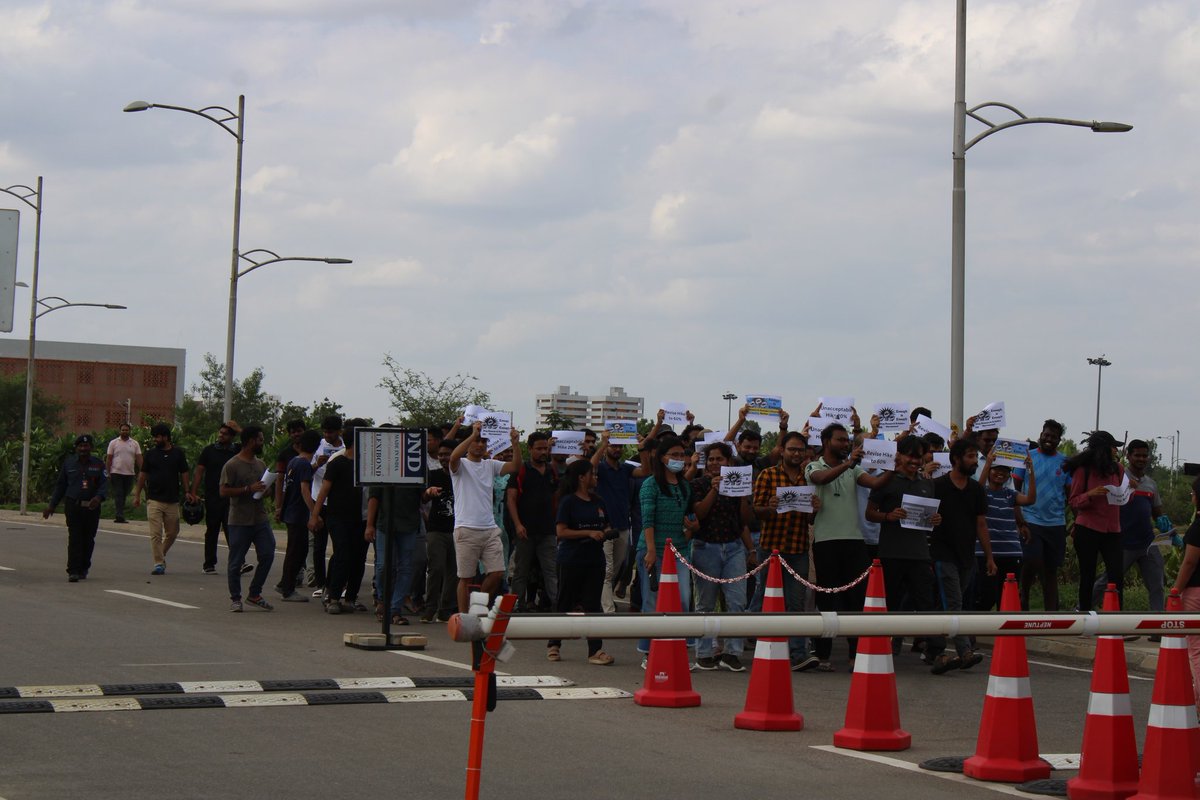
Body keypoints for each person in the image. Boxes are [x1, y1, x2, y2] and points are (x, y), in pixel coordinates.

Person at [805, 422, 892, 671]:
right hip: (825, 541)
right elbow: (820, 478)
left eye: (847, 441)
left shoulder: (854, 470)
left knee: (856, 598)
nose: (845, 444)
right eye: (840, 440)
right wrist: (849, 463)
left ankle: (856, 653)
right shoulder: (814, 465)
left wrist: (893, 468)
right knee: (827, 599)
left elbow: (875, 484)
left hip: (854, 541)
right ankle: (823, 654)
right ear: (825, 442)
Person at [866, 435, 943, 666]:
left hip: (919, 553)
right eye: (910, 455)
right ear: (898, 455)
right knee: (889, 603)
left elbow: (931, 516)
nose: (915, 461)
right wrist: (888, 516)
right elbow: (869, 513)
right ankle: (882, 647)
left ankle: (936, 652)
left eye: (919, 457)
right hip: (891, 552)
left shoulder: (927, 483)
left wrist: (936, 519)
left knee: (926, 603)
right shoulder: (886, 481)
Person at [752, 430, 820, 672]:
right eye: (792, 449)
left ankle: (798, 654)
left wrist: (815, 508)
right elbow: (756, 511)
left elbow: (810, 519)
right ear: (782, 450)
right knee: (766, 599)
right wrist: (769, 507)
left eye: (800, 450)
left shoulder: (808, 479)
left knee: (796, 602)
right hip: (771, 548)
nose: (796, 453)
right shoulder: (767, 476)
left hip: (798, 548)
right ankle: (758, 643)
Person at [928, 436, 995, 673]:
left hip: (967, 556)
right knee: (954, 601)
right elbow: (925, 517)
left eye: (976, 456)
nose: (974, 461)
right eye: (969, 456)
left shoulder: (976, 489)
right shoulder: (938, 486)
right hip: (942, 553)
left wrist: (988, 557)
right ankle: (964, 651)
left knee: (945, 604)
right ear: (956, 459)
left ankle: (933, 649)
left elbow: (981, 524)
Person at [690, 441, 755, 671]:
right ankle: (704, 653)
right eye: (711, 459)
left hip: (734, 547)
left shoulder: (738, 484)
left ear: (729, 462)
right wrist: (714, 489)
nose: (715, 463)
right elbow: (699, 512)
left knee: (737, 601)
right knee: (705, 603)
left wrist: (742, 495)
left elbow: (746, 520)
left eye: (720, 459)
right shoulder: (698, 484)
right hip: (706, 547)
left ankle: (732, 653)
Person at [636, 434, 698, 666]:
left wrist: (692, 528)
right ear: (662, 458)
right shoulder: (650, 485)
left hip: (679, 551)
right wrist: (651, 551)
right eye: (674, 455)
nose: (679, 459)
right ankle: (649, 653)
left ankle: (677, 651)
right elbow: (647, 521)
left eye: (682, 455)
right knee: (652, 601)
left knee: (682, 599)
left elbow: (688, 517)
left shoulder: (684, 486)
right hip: (654, 550)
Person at [546, 458, 614, 665]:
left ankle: (595, 650)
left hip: (595, 560)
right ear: (581, 478)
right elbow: (561, 531)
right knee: (564, 602)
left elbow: (607, 525)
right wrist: (588, 533)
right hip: (571, 559)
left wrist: (607, 533)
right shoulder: (568, 502)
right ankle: (554, 644)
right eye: (592, 474)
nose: (595, 477)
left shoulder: (599, 501)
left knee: (593, 604)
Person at [1091, 439, 1171, 613]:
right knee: (1108, 581)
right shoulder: (1119, 477)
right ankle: (1081, 610)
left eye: (1144, 455)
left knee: (1157, 585)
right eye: (1137, 455)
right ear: (1128, 456)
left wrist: (1167, 528)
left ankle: (1157, 625)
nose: (1141, 459)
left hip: (1148, 543)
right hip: (1123, 543)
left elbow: (1158, 513)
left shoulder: (1151, 484)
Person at [449, 421, 521, 612]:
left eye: (484, 441)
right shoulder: (461, 465)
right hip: (466, 528)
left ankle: (476, 603)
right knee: (466, 578)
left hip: (489, 528)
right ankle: (465, 618)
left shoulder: (490, 465)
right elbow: (453, 457)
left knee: (497, 573)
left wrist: (515, 444)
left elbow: (515, 467)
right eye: (477, 441)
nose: (480, 444)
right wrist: (473, 434)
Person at [367, 460, 440, 626]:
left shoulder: (417, 464)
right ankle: (382, 601)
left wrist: (429, 492)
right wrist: (369, 525)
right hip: (385, 524)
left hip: (409, 524)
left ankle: (394, 608)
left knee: (406, 567)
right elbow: (374, 497)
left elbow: (422, 496)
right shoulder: (383, 463)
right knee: (384, 566)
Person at [310, 418, 370, 614]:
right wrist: (315, 515)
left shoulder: (369, 464)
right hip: (337, 517)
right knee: (342, 554)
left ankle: (350, 597)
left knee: (358, 559)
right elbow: (324, 491)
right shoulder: (337, 461)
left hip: (361, 518)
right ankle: (333, 596)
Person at [1066, 430, 1126, 611]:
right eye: (1113, 447)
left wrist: (1129, 489)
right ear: (1103, 449)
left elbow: (1122, 495)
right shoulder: (1083, 470)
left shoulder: (1118, 469)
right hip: (1088, 529)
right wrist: (1090, 495)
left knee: (1116, 574)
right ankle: (1084, 615)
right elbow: (1073, 500)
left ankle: (1117, 619)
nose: (1116, 450)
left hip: (1113, 530)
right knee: (1088, 574)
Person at [590, 431, 648, 613]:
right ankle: (608, 610)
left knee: (615, 568)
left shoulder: (626, 469)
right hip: (604, 526)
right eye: (613, 446)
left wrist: (642, 448)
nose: (617, 449)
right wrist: (603, 444)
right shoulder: (600, 467)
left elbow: (646, 470)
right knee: (607, 570)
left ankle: (595, 598)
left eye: (619, 446)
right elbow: (590, 467)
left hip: (623, 526)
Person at [219, 426, 275, 612]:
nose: (262, 443)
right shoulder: (232, 465)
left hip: (260, 519)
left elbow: (264, 489)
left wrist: (266, 491)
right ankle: (236, 598)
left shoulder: (260, 464)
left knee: (267, 554)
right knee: (236, 562)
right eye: (260, 439)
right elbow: (224, 491)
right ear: (251, 441)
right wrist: (247, 489)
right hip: (239, 520)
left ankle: (255, 593)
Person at [1018, 420, 1072, 611]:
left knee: (1050, 569)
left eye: (1053, 437)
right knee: (1032, 561)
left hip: (1056, 523)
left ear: (1059, 440)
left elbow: (1070, 492)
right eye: (1046, 435)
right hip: (1030, 520)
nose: (1048, 439)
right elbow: (1015, 487)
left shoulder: (1065, 462)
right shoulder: (1027, 458)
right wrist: (1018, 519)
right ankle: (1022, 601)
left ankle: (1052, 612)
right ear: (1041, 434)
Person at [977, 450, 1036, 611]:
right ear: (989, 471)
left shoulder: (1010, 495)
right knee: (985, 595)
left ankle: (1003, 632)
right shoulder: (982, 493)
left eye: (1005, 471)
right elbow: (975, 492)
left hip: (1011, 552)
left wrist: (1030, 471)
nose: (1000, 474)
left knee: (1006, 598)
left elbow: (1030, 499)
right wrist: (988, 463)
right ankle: (975, 630)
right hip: (985, 553)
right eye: (996, 470)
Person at [507, 431, 559, 613]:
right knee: (521, 571)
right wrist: (518, 524)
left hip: (547, 530)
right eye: (539, 449)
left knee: (551, 570)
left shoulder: (551, 471)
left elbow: (555, 498)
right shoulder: (520, 470)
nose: (543, 452)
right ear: (530, 449)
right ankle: (517, 605)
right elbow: (511, 499)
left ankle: (556, 605)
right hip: (525, 531)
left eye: (545, 448)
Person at [44, 434, 108, 582]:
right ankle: (73, 570)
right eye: (80, 446)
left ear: (91, 447)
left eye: (86, 446)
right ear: (76, 448)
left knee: (88, 539)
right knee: (75, 538)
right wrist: (51, 506)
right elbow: (61, 486)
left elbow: (104, 485)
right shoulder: (69, 464)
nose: (83, 449)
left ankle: (84, 568)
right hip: (73, 506)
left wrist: (98, 498)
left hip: (92, 508)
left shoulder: (98, 464)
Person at [133, 422, 194, 575]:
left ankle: (161, 553)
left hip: (172, 500)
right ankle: (159, 563)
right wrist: (137, 495)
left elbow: (184, 473)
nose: (155, 439)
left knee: (173, 533)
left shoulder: (178, 453)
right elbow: (143, 475)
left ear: (166, 437)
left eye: (157, 437)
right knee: (156, 534)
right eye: (154, 437)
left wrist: (187, 491)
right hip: (154, 500)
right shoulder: (151, 454)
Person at [192, 422, 244, 575]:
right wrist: (194, 492)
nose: (221, 435)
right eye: (220, 433)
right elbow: (199, 472)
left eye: (225, 434)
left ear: (232, 436)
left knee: (232, 530)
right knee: (212, 530)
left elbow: (252, 443)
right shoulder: (209, 451)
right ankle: (209, 564)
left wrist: (239, 429)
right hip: (213, 496)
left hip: (232, 496)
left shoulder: (238, 451)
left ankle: (238, 562)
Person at [276, 429, 321, 602]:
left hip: (291, 512)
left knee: (294, 551)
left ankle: (284, 583)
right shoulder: (303, 464)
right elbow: (304, 489)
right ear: (316, 447)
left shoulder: (295, 462)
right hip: (298, 514)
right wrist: (314, 513)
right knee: (297, 552)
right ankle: (288, 588)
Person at [1168, 477, 1200, 713]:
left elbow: (1189, 562)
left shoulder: (1198, 525)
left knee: (1196, 649)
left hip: (1195, 593)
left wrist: (1176, 591)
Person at [307, 416, 346, 595]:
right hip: (319, 498)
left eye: (331, 432)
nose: (327, 435)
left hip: (337, 501)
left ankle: (335, 582)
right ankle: (321, 583)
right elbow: (307, 473)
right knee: (319, 544)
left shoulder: (346, 446)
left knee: (339, 544)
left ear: (339, 431)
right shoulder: (318, 446)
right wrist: (317, 464)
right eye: (325, 432)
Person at [422, 438, 458, 623]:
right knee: (436, 568)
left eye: (448, 454)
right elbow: (421, 499)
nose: (444, 457)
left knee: (454, 571)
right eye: (441, 454)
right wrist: (428, 492)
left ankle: (446, 609)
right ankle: (430, 607)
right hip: (436, 528)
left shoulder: (463, 475)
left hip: (458, 529)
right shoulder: (434, 475)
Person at [104, 423, 141, 523]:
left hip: (129, 473)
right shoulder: (114, 443)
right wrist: (107, 472)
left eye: (126, 430)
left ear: (129, 431)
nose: (125, 432)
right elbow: (109, 459)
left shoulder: (134, 444)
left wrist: (143, 471)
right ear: (120, 431)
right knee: (119, 493)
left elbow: (139, 459)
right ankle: (119, 515)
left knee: (124, 494)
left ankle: (120, 513)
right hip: (116, 472)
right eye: (123, 430)